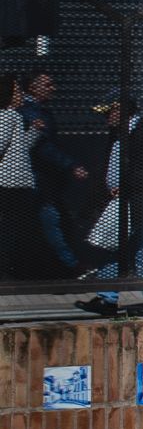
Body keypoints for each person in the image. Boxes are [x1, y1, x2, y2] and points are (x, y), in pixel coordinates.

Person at [70, 90, 143, 314]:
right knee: (113, 248)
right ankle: (110, 297)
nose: (106, 118)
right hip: (119, 202)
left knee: (138, 250)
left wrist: (125, 185)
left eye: (110, 112)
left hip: (135, 202)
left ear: (121, 111)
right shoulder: (118, 134)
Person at [0, 72, 58, 280]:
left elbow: (18, 148)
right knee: (14, 229)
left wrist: (32, 132)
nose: (20, 95)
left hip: (12, 182)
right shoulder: (9, 115)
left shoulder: (9, 115)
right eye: (16, 91)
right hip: (11, 183)